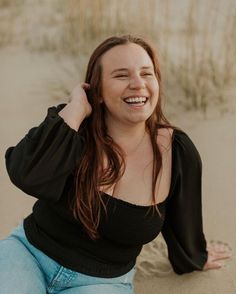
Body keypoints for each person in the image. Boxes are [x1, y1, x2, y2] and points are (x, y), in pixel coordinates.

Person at [0, 35, 231, 294]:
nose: (137, 84)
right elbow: (26, 173)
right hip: (27, 254)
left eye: (147, 73)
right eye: (122, 75)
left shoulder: (175, 151)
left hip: (100, 283)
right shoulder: (72, 130)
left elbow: (183, 218)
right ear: (96, 91)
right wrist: (76, 108)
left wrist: (195, 256)